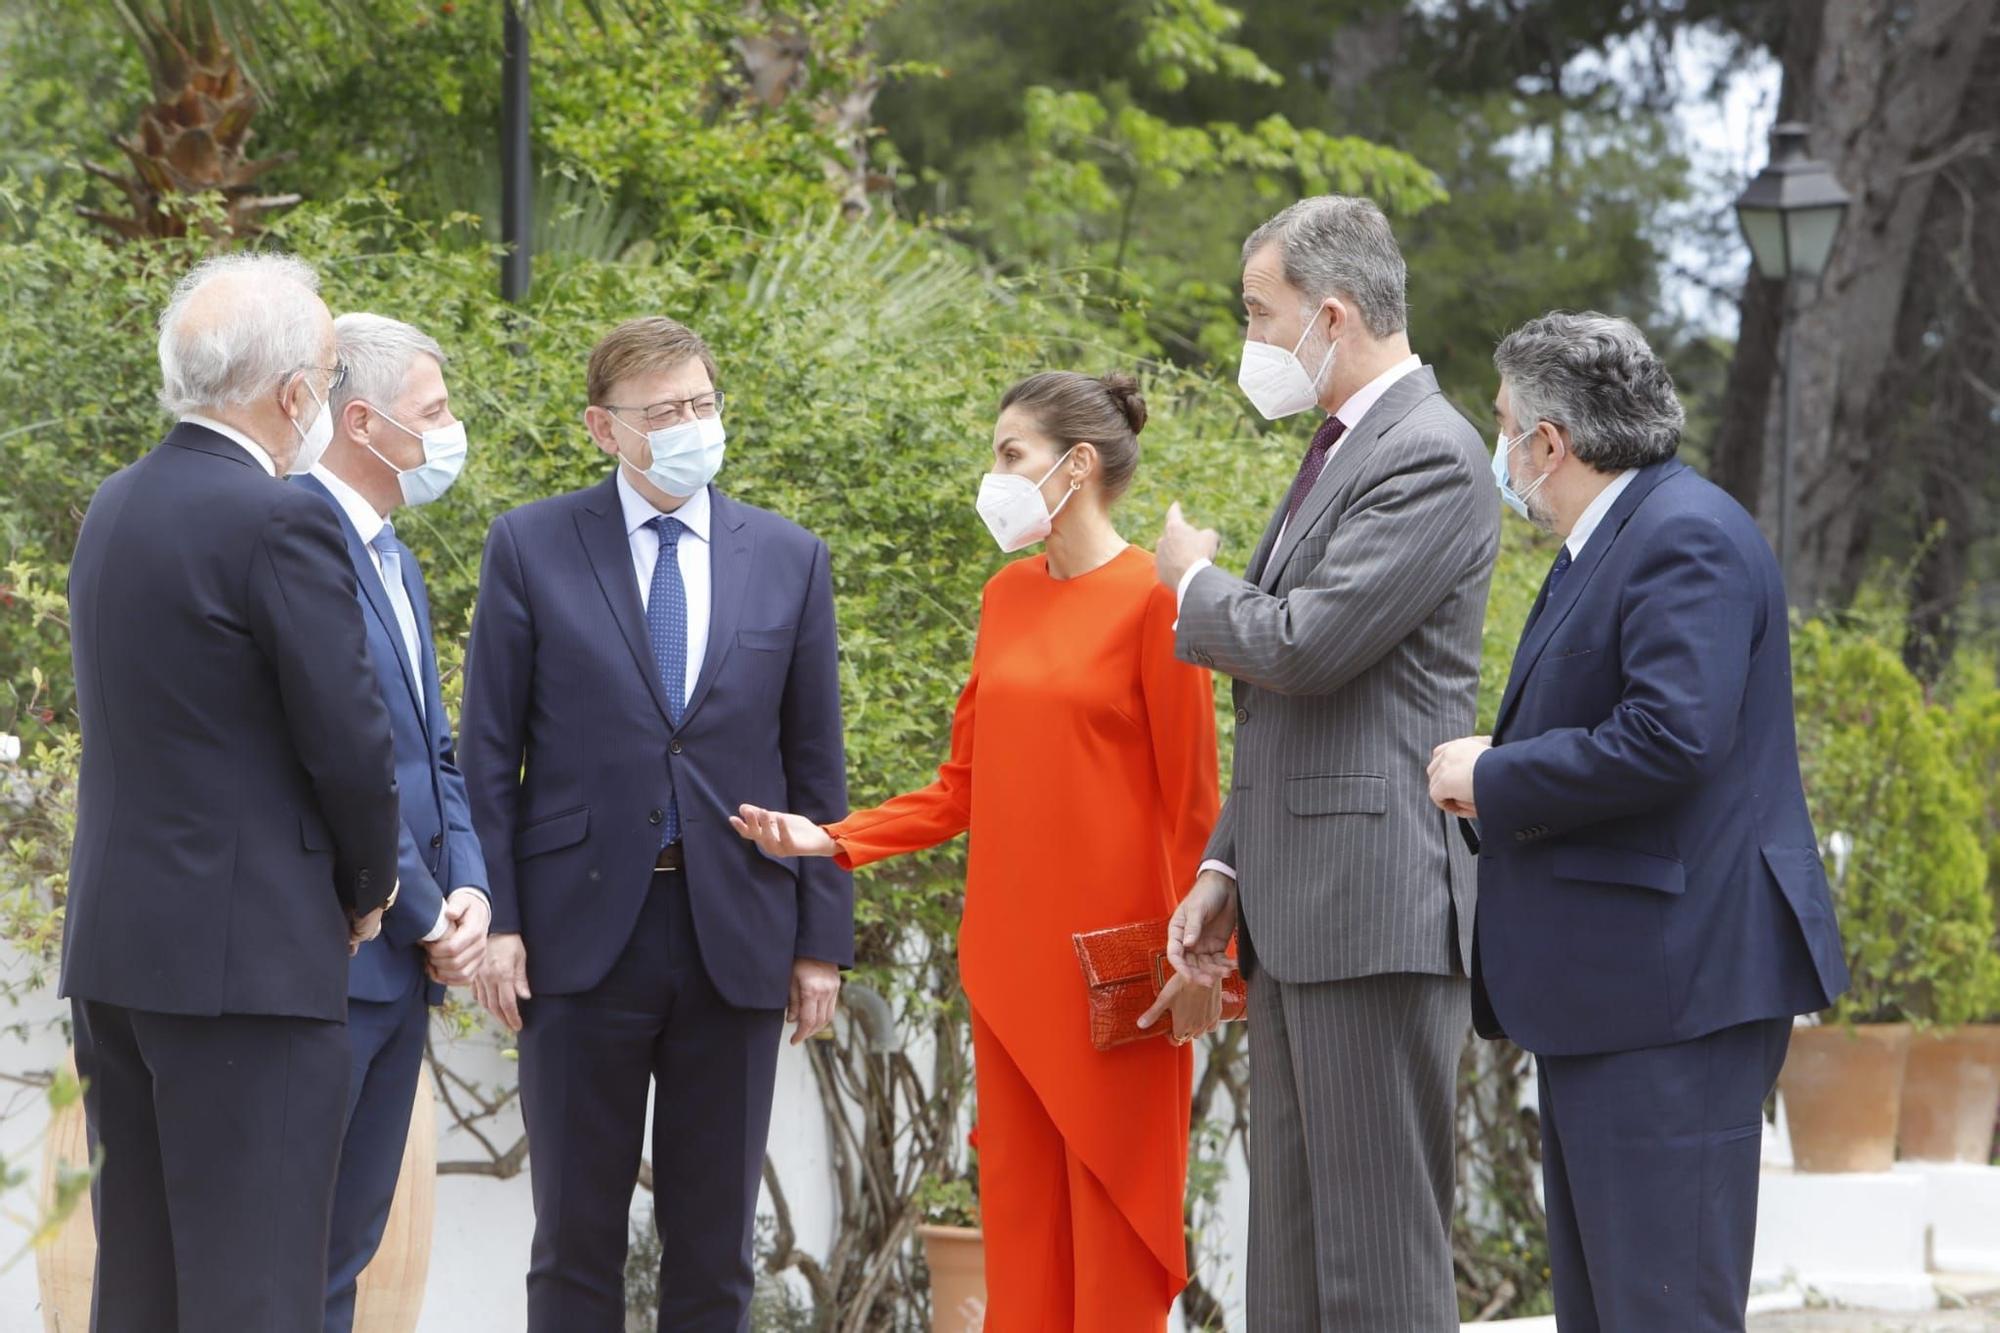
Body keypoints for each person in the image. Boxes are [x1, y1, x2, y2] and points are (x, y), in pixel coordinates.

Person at [733, 371, 1221, 1332]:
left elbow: (1195, 803)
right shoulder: (1005, 596)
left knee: (1118, 1244)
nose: (992, 475)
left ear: (1076, 467)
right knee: (1023, 1240)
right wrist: (829, 837)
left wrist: (1211, 964)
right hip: (1008, 972)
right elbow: (961, 786)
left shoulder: (1157, 602)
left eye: (1011, 455)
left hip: (1120, 982)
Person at [1427, 311, 1849, 1332]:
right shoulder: (1615, 537)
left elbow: (1671, 737)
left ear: (1547, 442)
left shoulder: (1681, 534)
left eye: (1499, 424)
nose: (1497, 447)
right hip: (1619, 988)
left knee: (1661, 1309)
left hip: (1673, 991)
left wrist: (1496, 774)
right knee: (1609, 1307)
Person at [459, 316, 851, 1331]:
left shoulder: (790, 557)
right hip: (576, 937)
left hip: (736, 930)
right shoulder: (531, 544)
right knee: (573, 1241)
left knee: (717, 1247)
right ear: (604, 428)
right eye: (664, 411)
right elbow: (488, 756)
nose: (690, 426)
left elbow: (816, 764)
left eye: (702, 404)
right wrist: (500, 919)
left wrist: (820, 942)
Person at [1154, 195, 1498, 1330]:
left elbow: (1304, 646)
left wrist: (1191, 585)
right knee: (1293, 1255)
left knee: (1375, 1257)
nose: (1249, 338)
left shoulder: (1431, 454)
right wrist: (1229, 866)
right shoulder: (1342, 442)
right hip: (1303, 904)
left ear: (1333, 314)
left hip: (1376, 906)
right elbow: (1290, 714)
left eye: (1260, 314)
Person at [61, 253, 402, 1332]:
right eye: (326, 374)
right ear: (295, 394)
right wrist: (368, 887)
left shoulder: (114, 505)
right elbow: (349, 739)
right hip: (248, 964)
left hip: (122, 953)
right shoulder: (279, 517)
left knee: (145, 1288)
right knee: (256, 1291)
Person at [296, 312, 493, 1333]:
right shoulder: (295, 540)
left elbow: (434, 752)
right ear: (362, 421)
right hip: (337, 958)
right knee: (297, 1253)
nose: (451, 432)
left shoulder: (396, 558)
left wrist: (469, 890)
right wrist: (421, 911)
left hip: (405, 965)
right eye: (436, 412)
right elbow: (341, 762)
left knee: (348, 1250)